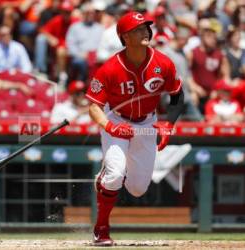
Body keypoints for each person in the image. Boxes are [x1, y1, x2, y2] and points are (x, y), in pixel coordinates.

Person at [85, 12, 184, 246]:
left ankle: (108, 177)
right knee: (115, 175)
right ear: (125, 37)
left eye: (146, 28)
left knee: (138, 189)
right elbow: (93, 107)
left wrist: (169, 125)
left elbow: (177, 96)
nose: (145, 32)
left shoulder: (163, 63)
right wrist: (110, 127)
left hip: (147, 123)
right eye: (138, 29)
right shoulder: (109, 68)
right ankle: (102, 228)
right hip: (116, 119)